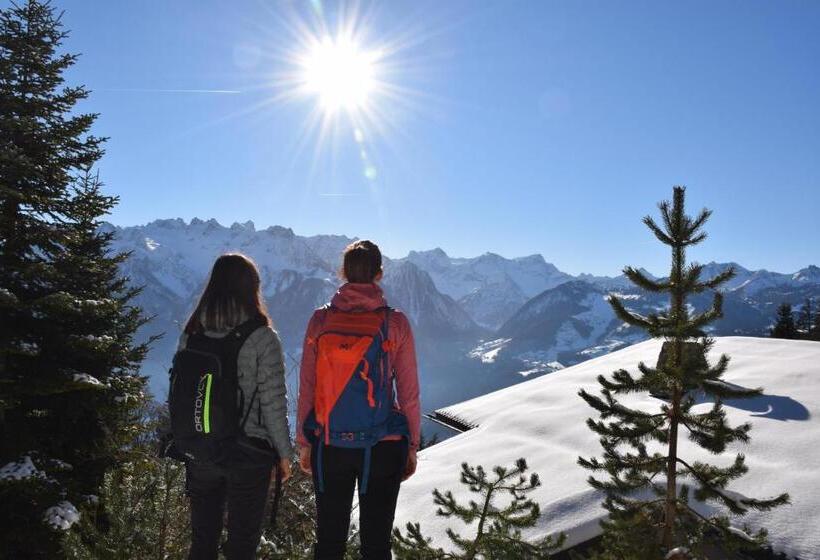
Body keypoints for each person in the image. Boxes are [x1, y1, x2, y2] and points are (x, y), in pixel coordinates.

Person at [297, 240, 421, 560]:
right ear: (379, 274)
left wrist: (305, 441)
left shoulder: (319, 321)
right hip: (382, 445)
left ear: (343, 273)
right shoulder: (396, 323)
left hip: (330, 444)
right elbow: (409, 392)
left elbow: (308, 385)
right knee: (376, 546)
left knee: (329, 543)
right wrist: (411, 446)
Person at [177, 253, 292, 560]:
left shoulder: (192, 332)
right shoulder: (262, 336)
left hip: (200, 449)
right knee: (242, 544)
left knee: (202, 541)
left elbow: (181, 391)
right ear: (252, 288)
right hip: (248, 453)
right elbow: (272, 402)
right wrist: (284, 454)